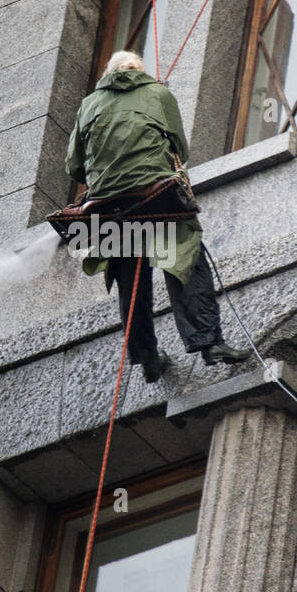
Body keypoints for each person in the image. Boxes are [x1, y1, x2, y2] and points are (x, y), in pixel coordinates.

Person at [64, 50, 251, 382]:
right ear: (139, 70)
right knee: (185, 261)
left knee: (131, 280)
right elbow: (180, 147)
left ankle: (146, 357)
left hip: (108, 207)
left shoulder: (88, 104)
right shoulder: (159, 93)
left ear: (109, 73)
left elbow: (74, 166)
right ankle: (208, 342)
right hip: (155, 198)